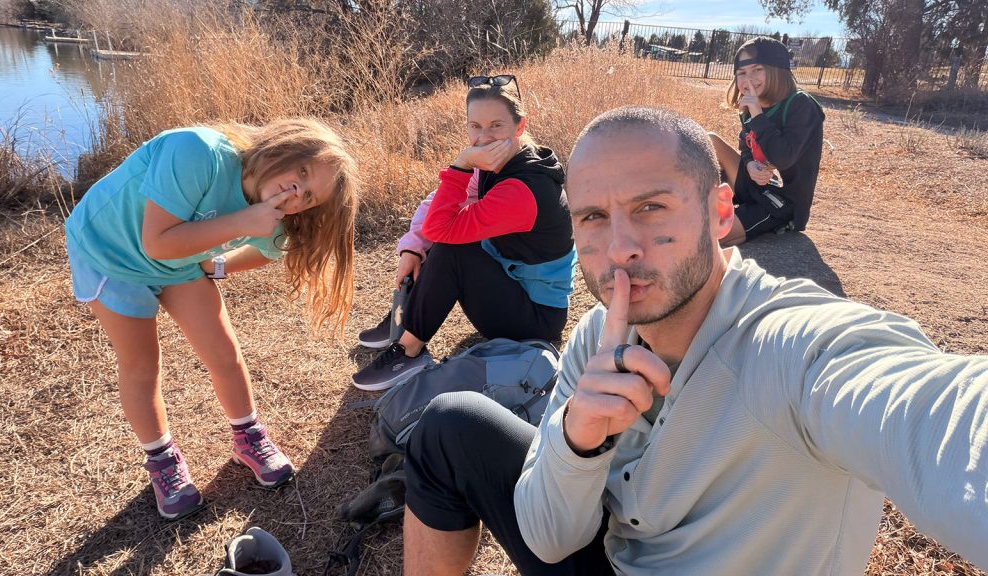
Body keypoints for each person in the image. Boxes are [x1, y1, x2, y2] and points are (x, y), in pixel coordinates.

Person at [401, 106, 988, 575]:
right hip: (613, 559)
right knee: (446, 425)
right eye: (593, 218)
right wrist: (577, 441)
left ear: (720, 211)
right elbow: (550, 541)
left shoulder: (791, 347)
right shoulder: (593, 342)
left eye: (651, 207)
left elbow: (934, 411)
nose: (620, 248)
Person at [64, 118, 358, 520]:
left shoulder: (273, 220)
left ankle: (248, 437)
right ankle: (162, 461)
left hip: (180, 261)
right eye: (301, 171)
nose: (295, 192)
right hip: (112, 253)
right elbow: (156, 241)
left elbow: (263, 252)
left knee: (225, 353)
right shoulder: (196, 152)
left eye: (308, 196)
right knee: (142, 365)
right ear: (283, 146)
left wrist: (213, 268)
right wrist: (241, 222)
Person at [351, 74, 576, 392]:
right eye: (475, 126)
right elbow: (437, 205)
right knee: (435, 239)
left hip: (535, 320)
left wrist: (460, 164)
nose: (483, 137)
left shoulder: (524, 188)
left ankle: (410, 350)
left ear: (520, 126)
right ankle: (405, 315)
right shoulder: (496, 163)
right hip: (512, 283)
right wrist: (412, 248)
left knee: (453, 247)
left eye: (496, 125)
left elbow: (442, 227)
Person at [708, 36, 825, 246]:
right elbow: (746, 145)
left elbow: (784, 157)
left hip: (783, 203)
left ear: (777, 70)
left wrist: (757, 114)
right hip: (758, 187)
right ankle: (695, 204)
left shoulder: (801, 104)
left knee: (713, 238)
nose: (748, 78)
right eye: (741, 73)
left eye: (757, 70)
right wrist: (750, 164)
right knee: (710, 140)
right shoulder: (751, 109)